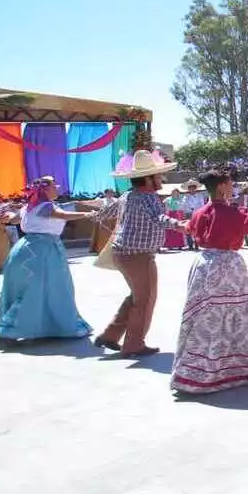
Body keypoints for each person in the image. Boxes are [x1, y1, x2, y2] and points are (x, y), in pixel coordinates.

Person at [171, 170, 248, 394]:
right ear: (221, 187)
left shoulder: (199, 212)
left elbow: (189, 228)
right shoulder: (234, 213)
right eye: (229, 184)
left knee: (204, 317)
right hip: (228, 266)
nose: (232, 187)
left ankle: (195, 372)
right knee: (236, 316)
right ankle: (240, 368)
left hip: (203, 263)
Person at [94, 150, 185, 357]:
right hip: (138, 255)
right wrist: (179, 225)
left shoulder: (128, 196)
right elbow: (158, 218)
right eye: (157, 175)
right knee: (145, 299)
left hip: (125, 253)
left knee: (137, 297)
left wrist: (92, 213)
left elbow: (105, 213)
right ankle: (134, 344)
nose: (161, 179)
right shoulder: (147, 198)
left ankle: (110, 335)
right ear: (148, 179)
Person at [0, 177, 98, 343]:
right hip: (43, 251)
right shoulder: (46, 206)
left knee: (35, 288)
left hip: (23, 249)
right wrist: (89, 214)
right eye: (54, 185)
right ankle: (38, 326)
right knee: (52, 288)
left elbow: (12, 219)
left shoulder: (28, 207)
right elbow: (61, 215)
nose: (57, 187)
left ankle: (15, 327)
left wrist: (5, 215)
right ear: (45, 190)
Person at [179, 180, 207, 250]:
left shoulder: (200, 196)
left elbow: (202, 204)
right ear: (188, 189)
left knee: (196, 228)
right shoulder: (185, 197)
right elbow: (182, 205)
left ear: (195, 188)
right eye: (190, 188)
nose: (192, 189)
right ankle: (190, 244)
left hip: (197, 213)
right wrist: (187, 204)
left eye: (193, 188)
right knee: (188, 228)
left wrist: (199, 211)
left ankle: (197, 243)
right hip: (188, 213)